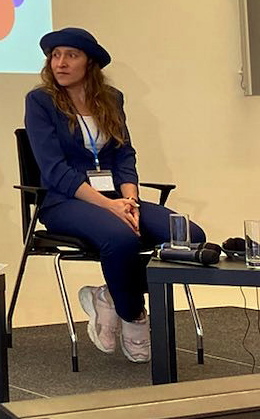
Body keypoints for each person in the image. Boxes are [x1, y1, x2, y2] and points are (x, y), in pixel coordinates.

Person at [22, 26, 205, 364]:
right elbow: (53, 169)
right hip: (65, 200)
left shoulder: (112, 99)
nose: (60, 63)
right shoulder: (41, 101)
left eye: (71, 55)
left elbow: (124, 155)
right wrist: (111, 206)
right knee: (120, 239)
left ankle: (110, 295)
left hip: (117, 199)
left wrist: (130, 201)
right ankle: (134, 315)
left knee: (189, 235)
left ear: (89, 63)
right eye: (55, 56)